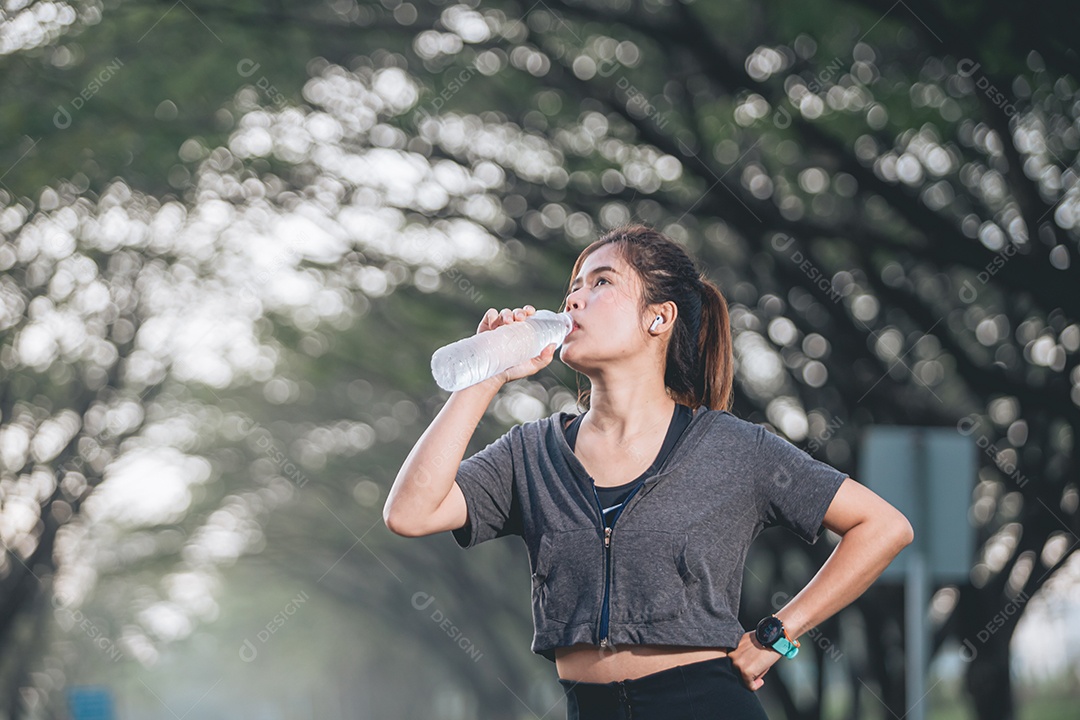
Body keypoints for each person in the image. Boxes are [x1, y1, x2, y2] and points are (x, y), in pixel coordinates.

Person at [384, 224, 913, 719]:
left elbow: (883, 527)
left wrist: (777, 634)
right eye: (574, 286)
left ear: (657, 318)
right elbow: (410, 512)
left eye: (601, 282)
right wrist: (482, 377)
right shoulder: (530, 452)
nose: (572, 300)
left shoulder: (734, 447)